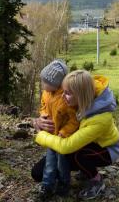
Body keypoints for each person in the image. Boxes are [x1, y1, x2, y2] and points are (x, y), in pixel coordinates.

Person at [33, 70, 119, 200]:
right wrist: (38, 120)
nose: (63, 96)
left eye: (67, 93)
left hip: (105, 150)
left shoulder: (101, 119)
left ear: (80, 95)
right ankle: (83, 170)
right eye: (64, 91)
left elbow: (66, 147)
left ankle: (96, 180)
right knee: (37, 173)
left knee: (78, 155)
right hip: (84, 143)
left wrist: (40, 135)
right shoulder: (81, 92)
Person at [34, 60, 79, 199]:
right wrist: (43, 115)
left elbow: (74, 119)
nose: (42, 85)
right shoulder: (46, 93)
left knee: (62, 161)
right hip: (52, 136)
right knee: (50, 161)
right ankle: (47, 185)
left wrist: (64, 132)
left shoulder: (66, 97)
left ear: (55, 83)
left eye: (44, 82)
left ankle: (64, 183)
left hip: (62, 137)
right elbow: (42, 105)